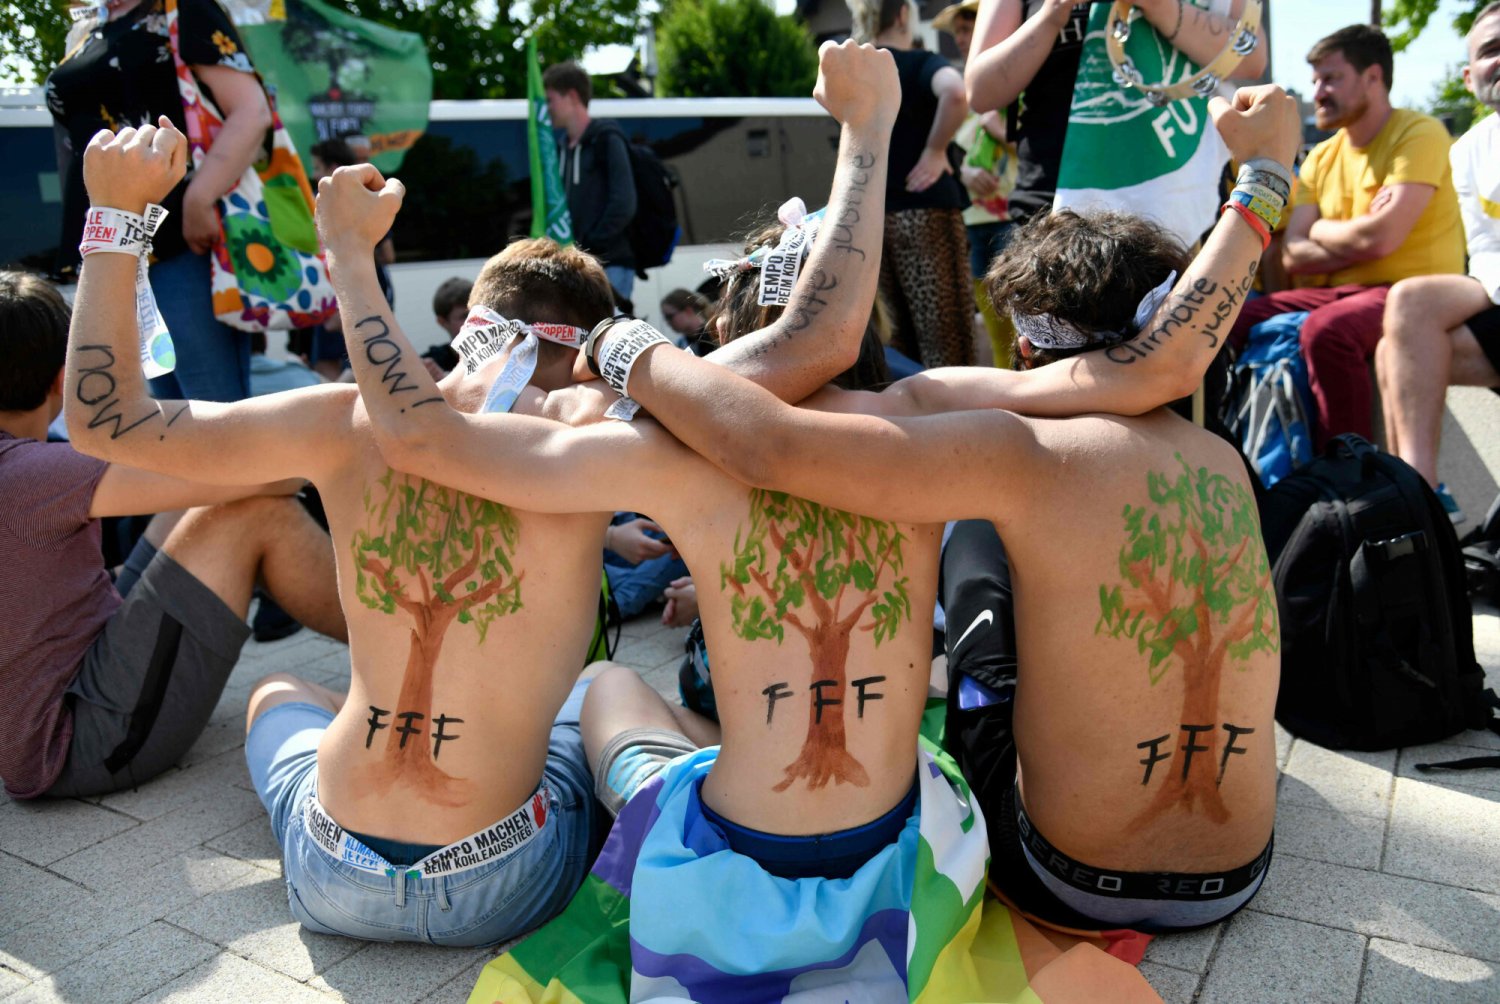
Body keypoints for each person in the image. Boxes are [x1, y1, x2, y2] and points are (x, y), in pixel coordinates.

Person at [66, 40, 902, 948]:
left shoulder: (339, 420)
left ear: (473, 325)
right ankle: (672, 833)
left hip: (330, 870)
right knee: (596, 692)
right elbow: (811, 347)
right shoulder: (603, 432)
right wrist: (866, 130)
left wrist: (114, 218)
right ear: (586, 344)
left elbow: (104, 419)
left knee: (276, 691)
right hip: (503, 873)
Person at [583, 83, 1300, 935]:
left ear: (1030, 345)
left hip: (1071, 875)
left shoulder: (1012, 450)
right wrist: (1263, 172)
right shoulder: (1223, 458)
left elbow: (771, 438)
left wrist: (620, 344)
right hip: (1245, 871)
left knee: (974, 542)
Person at [0, 269, 344, 801]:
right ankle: (415, 641)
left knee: (207, 498)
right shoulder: (33, 474)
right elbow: (274, 474)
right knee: (254, 511)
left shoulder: (25, 471)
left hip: (65, 689)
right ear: (62, 377)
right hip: (77, 744)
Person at [1229, 24, 1465, 450]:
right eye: (1316, 80)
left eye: (1331, 78)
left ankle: (1354, 474)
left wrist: (1321, 231)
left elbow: (1381, 240)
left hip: (1412, 296)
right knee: (1232, 318)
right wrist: (1351, 236)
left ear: (1373, 77)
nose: (1318, 91)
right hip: (1342, 293)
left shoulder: (1420, 133)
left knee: (1327, 333)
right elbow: (1294, 255)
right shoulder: (1321, 155)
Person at [46, 0, 272, 403]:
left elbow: (252, 110)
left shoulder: (185, 7)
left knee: (210, 415)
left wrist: (200, 197)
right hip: (113, 244)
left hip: (177, 238)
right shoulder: (87, 26)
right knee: (155, 422)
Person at [965, 0, 1267, 230]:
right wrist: (1053, 13)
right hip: (1055, 208)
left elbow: (1251, 60)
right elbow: (980, 92)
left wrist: (1159, 6)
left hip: (1177, 203)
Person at [1376, 1, 1500, 523]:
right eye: (1491, 51)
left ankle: (1417, 505)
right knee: (1394, 343)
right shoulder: (1468, 149)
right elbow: (1486, 247)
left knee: (1404, 318)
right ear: (1470, 78)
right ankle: (1422, 496)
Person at [849, 0, 977, 369]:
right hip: (926, 212)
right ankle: (959, 424)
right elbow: (955, 92)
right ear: (904, 14)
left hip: (871, 219)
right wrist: (936, 151)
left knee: (894, 340)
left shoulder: (857, 76)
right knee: (947, 339)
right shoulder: (918, 63)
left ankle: (910, 419)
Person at [935, 0, 1017, 368]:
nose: (965, 39)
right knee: (997, 327)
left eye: (970, 27)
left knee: (1025, 320)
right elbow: (945, 154)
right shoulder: (955, 87)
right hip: (976, 219)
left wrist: (996, 128)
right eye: (961, 32)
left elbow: (1041, 145)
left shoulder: (1021, 75)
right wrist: (964, 173)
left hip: (1019, 213)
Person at [542, 61, 637, 303]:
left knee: (607, 337)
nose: (547, 108)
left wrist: (590, 245)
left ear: (572, 96)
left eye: (550, 99)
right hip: (579, 266)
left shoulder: (606, 138)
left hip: (611, 263)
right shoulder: (561, 147)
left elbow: (624, 202)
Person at [659, 288, 714, 355]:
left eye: (670, 316)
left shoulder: (714, 335)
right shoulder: (681, 343)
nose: (667, 322)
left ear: (688, 311)